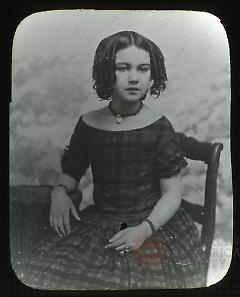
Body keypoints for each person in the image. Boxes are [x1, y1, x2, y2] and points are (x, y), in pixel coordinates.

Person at [18, 30, 206, 289]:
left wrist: (143, 230)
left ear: (152, 77)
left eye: (142, 69)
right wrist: (59, 192)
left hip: (151, 223)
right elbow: (71, 172)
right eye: (122, 68)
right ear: (107, 71)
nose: (133, 78)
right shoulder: (88, 123)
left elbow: (172, 195)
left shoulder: (159, 127)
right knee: (39, 270)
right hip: (101, 220)